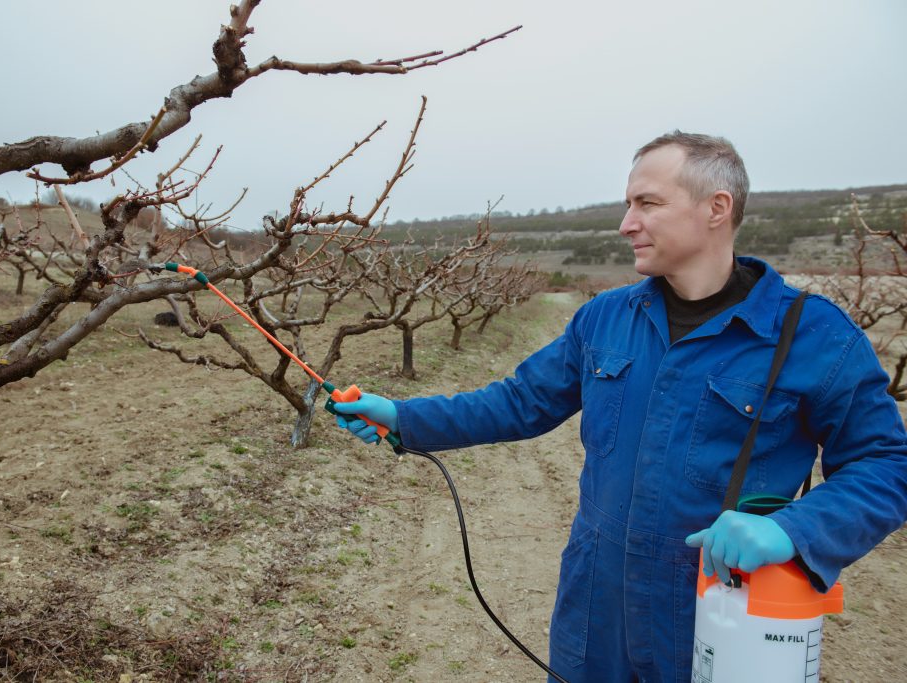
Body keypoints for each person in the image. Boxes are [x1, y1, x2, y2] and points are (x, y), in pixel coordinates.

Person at [332, 131, 907, 683]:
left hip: (720, 605)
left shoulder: (814, 336)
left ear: (716, 207)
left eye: (647, 203)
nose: (626, 223)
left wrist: (794, 529)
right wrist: (404, 418)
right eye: (628, 203)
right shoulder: (604, 318)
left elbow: (886, 464)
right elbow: (521, 401)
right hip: (596, 604)